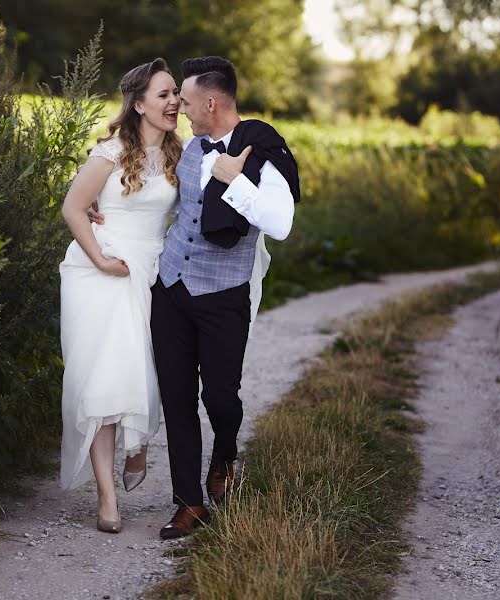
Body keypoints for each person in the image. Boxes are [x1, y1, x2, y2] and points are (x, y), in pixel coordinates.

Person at [151, 56, 299, 539]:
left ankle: (226, 453)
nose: (183, 110)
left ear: (211, 102)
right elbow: (174, 206)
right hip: (171, 287)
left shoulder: (264, 155)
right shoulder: (191, 148)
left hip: (222, 296)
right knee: (176, 396)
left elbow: (279, 224)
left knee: (219, 397)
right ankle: (189, 502)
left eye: (188, 102)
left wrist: (233, 177)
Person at [58, 58, 182, 534]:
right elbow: (73, 207)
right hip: (103, 269)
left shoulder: (180, 154)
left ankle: (139, 442)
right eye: (164, 95)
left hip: (153, 269)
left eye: (176, 95)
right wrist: (100, 260)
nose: (174, 103)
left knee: (149, 368)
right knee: (105, 380)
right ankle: (107, 497)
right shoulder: (111, 152)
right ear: (138, 104)